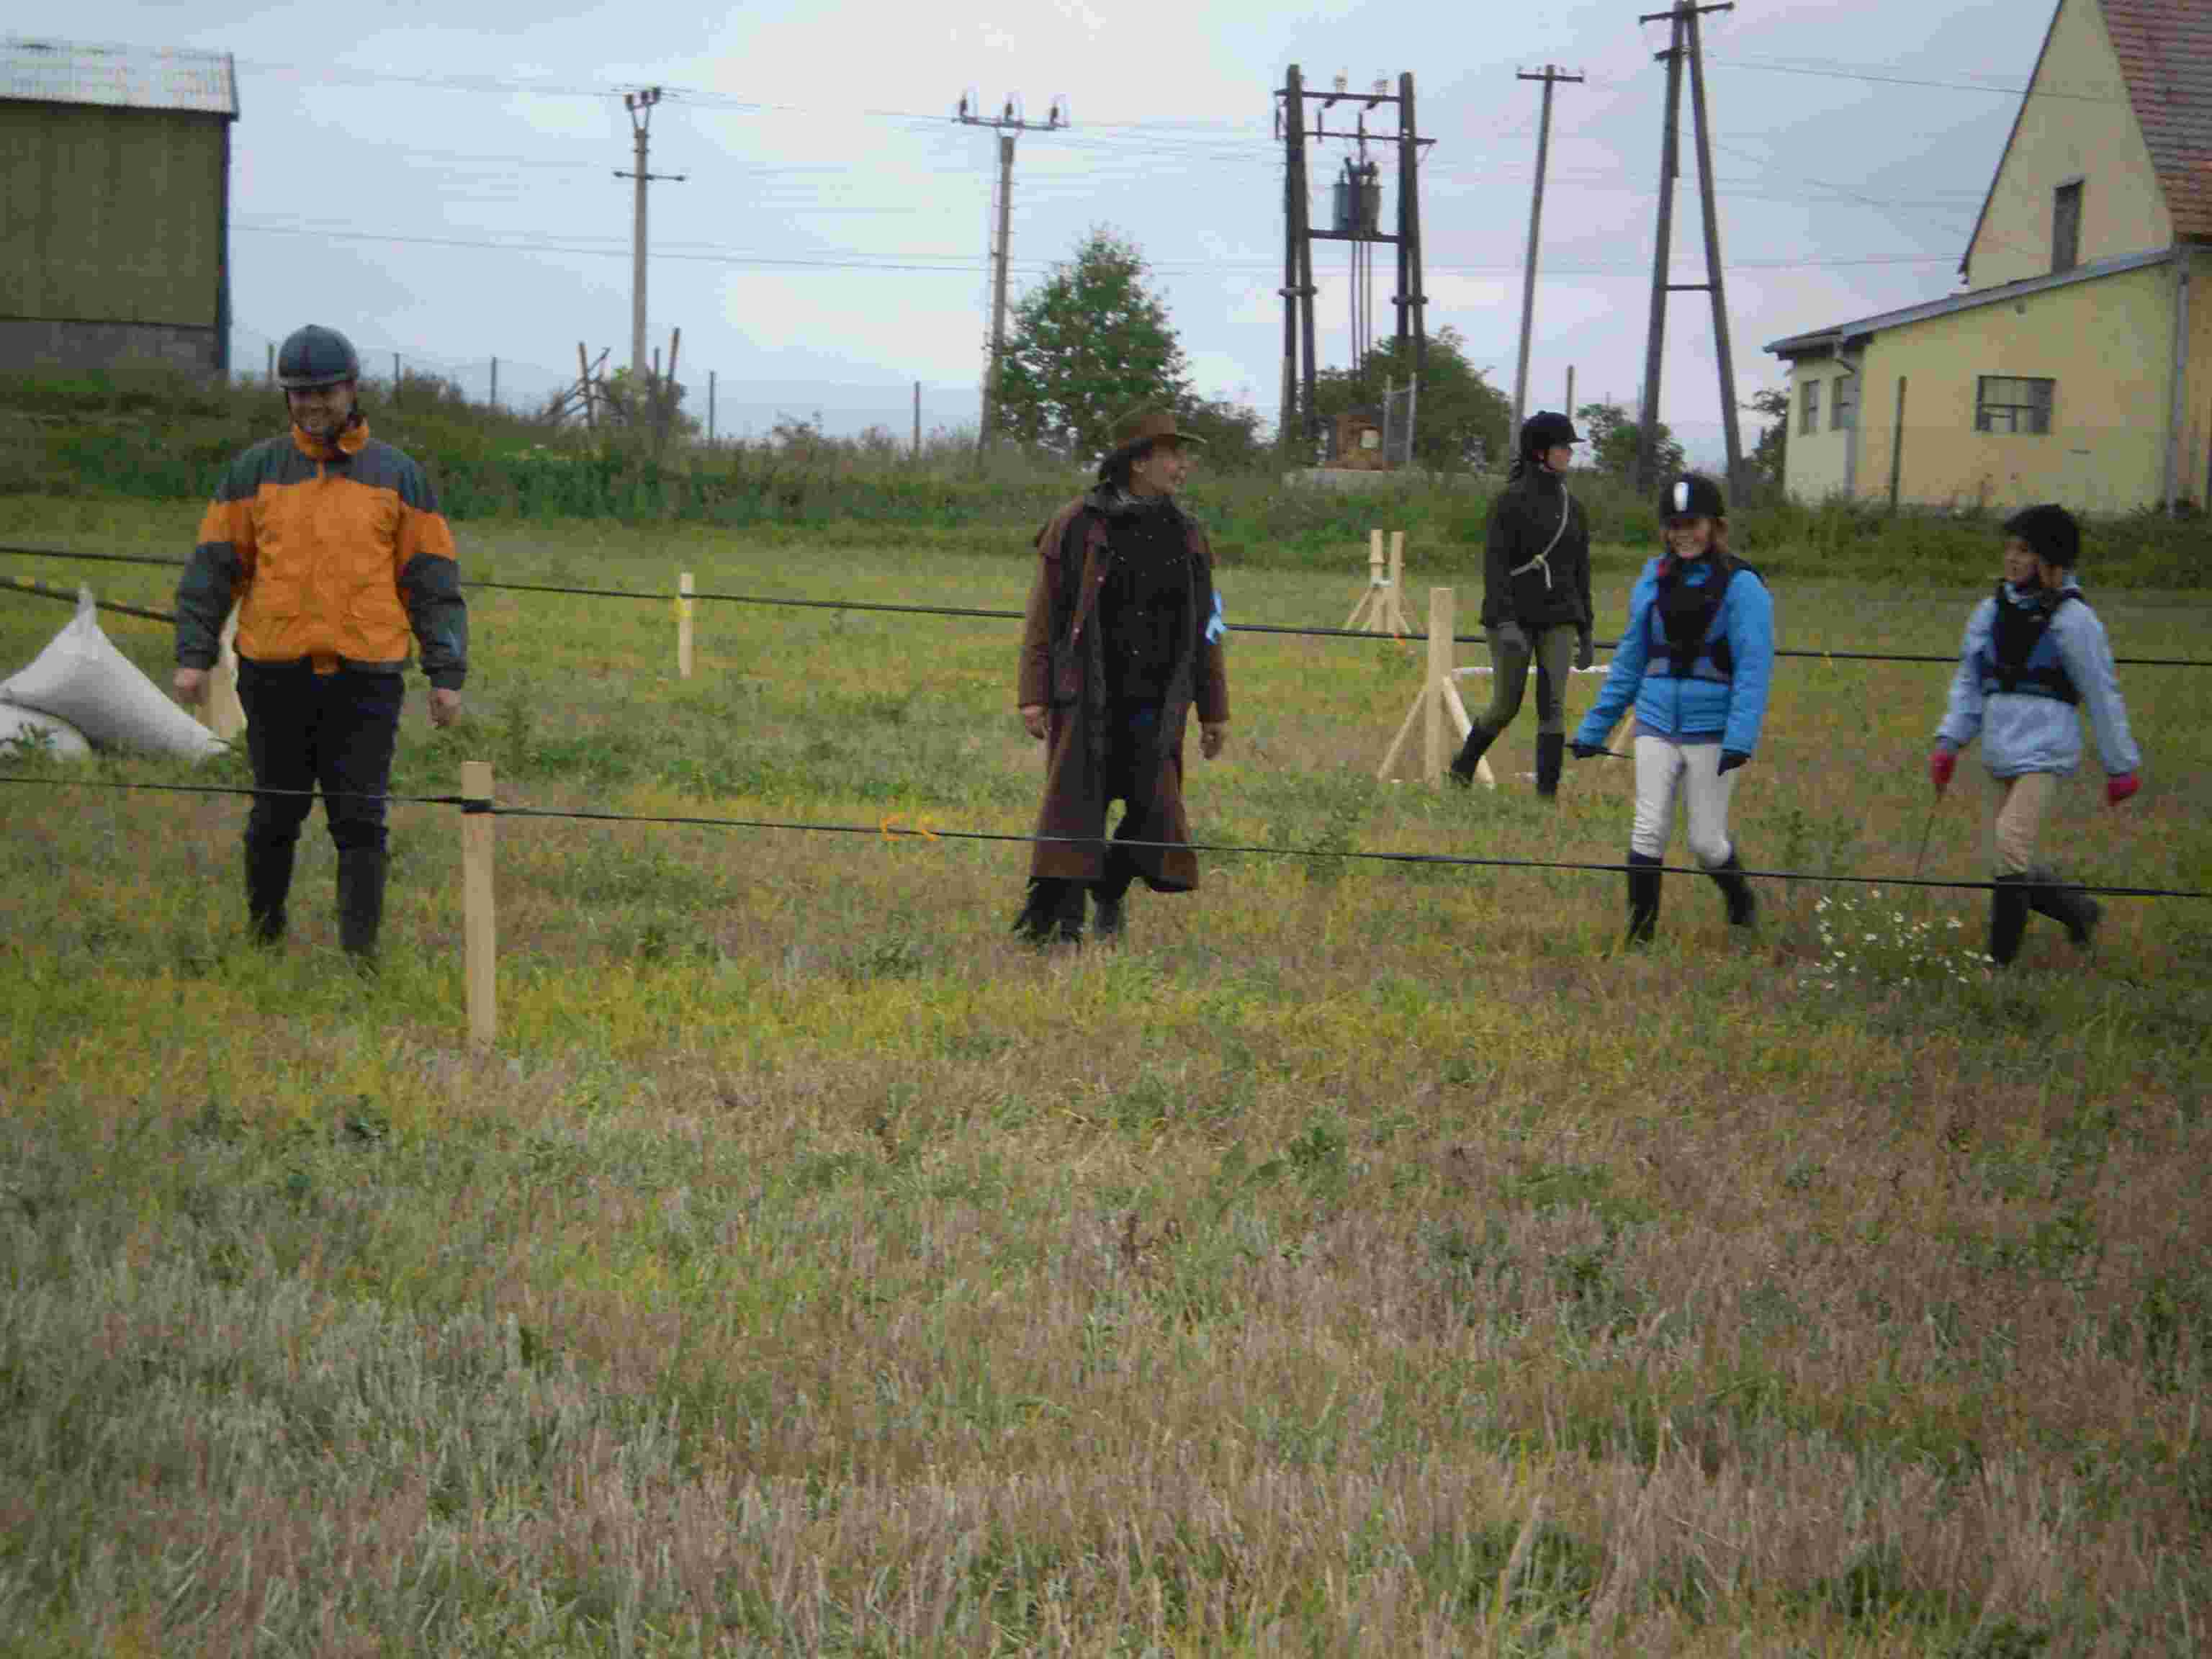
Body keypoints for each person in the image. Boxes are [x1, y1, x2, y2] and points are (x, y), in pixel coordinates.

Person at [172, 323, 467, 963]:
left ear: (352, 389)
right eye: (299, 393)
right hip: (273, 674)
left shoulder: (399, 477)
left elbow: (433, 582)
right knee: (275, 815)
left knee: (360, 822)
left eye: (324, 391)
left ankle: (360, 957)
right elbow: (213, 569)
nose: (312, 404)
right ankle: (264, 940)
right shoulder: (254, 473)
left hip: (369, 678)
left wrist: (446, 674)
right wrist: (194, 657)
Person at [1012, 407, 1230, 945]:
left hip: (1157, 701)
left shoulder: (1188, 534)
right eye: (1172, 454)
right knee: (1074, 807)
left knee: (1157, 813)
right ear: (1138, 462)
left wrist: (1214, 707)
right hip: (1085, 694)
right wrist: (1033, 694)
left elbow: (1209, 626)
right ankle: (1063, 924)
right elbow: (1045, 616)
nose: (1183, 465)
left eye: (1183, 455)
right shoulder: (1077, 524)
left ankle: (1110, 886)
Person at [1928, 503, 2140, 966]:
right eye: (2010, 550)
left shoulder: (2075, 621)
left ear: (2052, 560)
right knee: (2006, 857)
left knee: (2010, 844)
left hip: (2046, 753)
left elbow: (2102, 694)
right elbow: (1969, 681)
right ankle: (2079, 910)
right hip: (2000, 748)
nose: (2012, 559)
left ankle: (1999, 963)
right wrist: (1950, 740)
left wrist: (2120, 766)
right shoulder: (1989, 613)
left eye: (2024, 551)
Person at [1570, 473, 1773, 944]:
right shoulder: (1652, 578)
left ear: (1715, 526)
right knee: (1647, 830)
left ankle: (1741, 903)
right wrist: (1595, 729)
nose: (1684, 533)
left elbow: (1753, 669)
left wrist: (1740, 739)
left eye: (1693, 523)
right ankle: (1640, 939)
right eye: (1674, 524)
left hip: (1714, 732)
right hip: (1656, 723)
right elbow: (1630, 659)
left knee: (1705, 841)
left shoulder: (1743, 587)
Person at [1449, 410, 1594, 796]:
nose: (1569, 454)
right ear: (1540, 452)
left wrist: (1587, 629)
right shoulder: (1508, 502)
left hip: (1560, 616)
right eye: (1563, 447)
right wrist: (1505, 621)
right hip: (1513, 615)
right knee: (1506, 704)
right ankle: (1462, 767)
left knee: (1553, 705)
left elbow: (1582, 572)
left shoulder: (1574, 508)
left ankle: (1547, 794)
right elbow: (1495, 568)